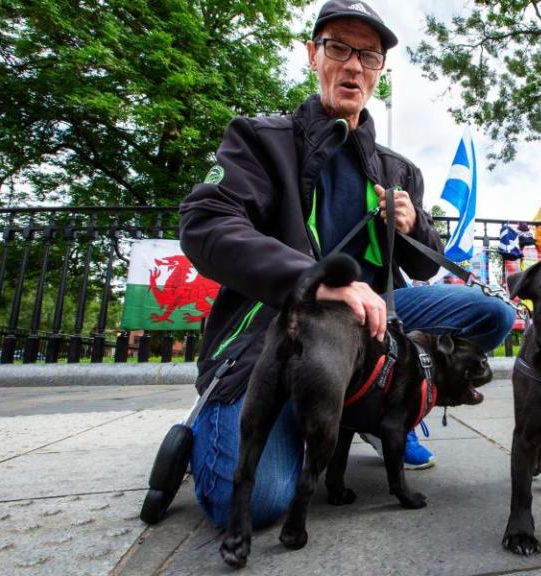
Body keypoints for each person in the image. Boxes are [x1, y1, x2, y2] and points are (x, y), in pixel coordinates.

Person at [177, 0, 514, 529]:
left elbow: (424, 270)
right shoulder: (261, 140)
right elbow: (205, 223)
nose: (354, 66)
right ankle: (230, 425)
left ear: (380, 71)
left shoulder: (398, 169)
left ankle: (382, 413)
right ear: (313, 55)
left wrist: (413, 226)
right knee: (256, 502)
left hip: (377, 325)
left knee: (493, 316)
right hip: (282, 330)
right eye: (339, 48)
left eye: (370, 55)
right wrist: (311, 284)